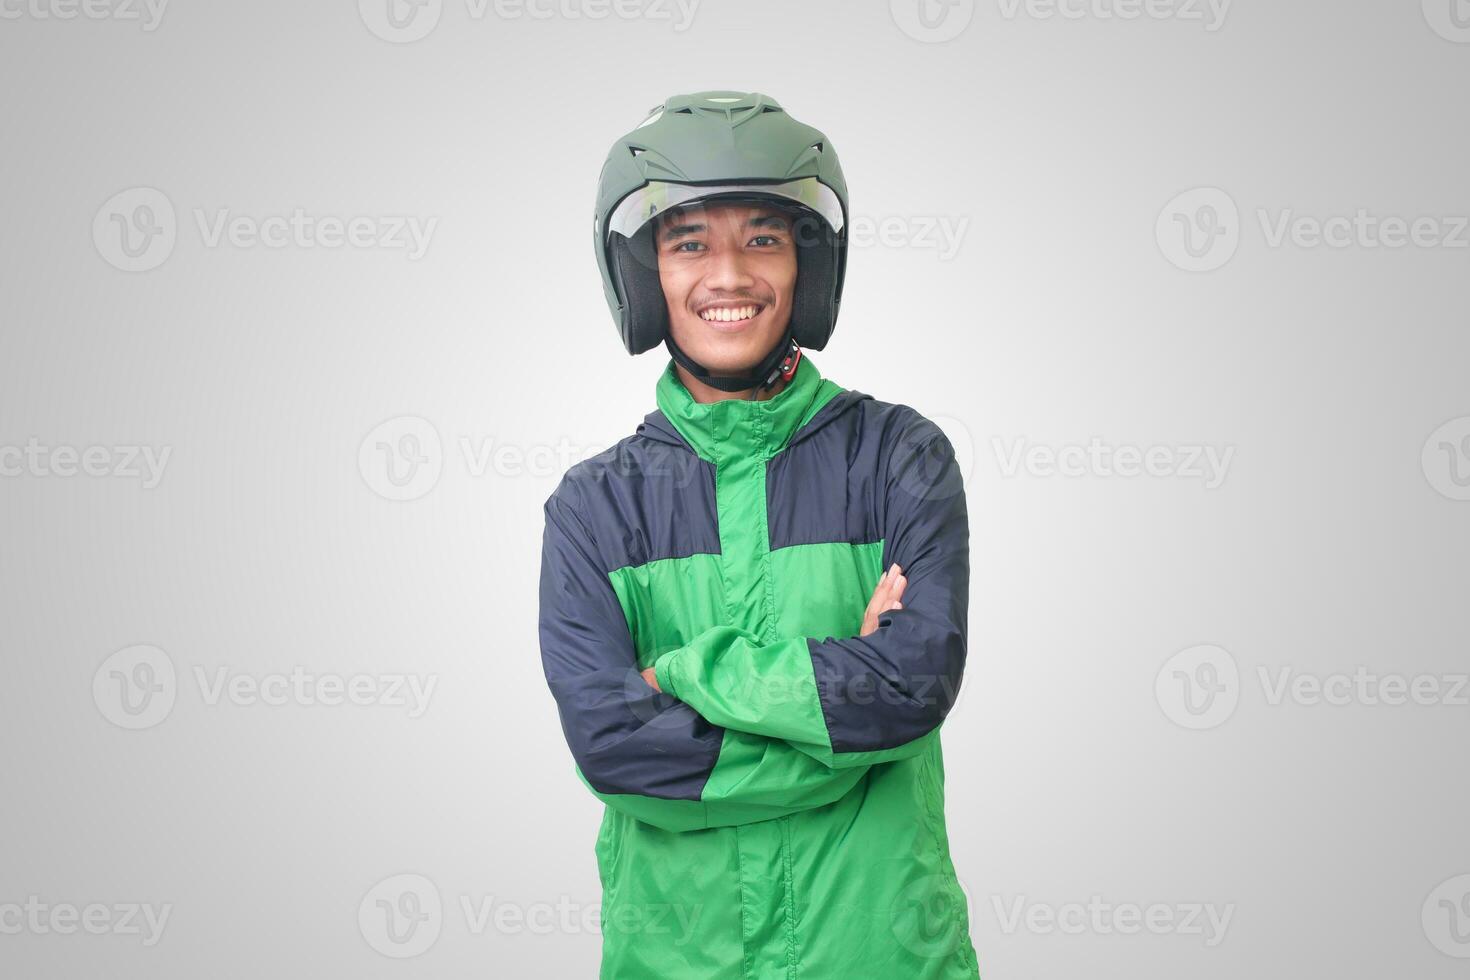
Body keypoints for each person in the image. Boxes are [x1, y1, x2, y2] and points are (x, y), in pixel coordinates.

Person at [539, 90, 980, 979]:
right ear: (642, 274)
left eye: (764, 239)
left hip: (883, 957)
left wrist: (691, 675)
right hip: (677, 961)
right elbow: (618, 752)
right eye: (689, 241)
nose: (730, 275)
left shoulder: (902, 457)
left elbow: (911, 686)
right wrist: (842, 722)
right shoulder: (592, 508)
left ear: (807, 266)